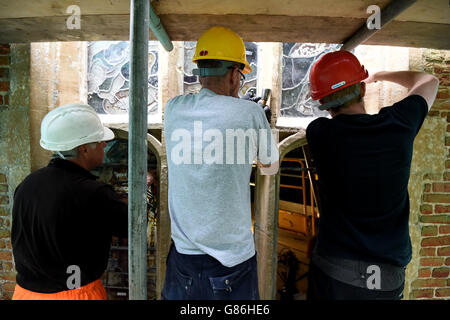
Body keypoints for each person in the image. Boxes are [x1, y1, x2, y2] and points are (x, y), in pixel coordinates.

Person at [305, 50, 439, 300]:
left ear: (324, 103)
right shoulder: (399, 124)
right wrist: (378, 75)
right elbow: (429, 81)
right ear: (363, 90)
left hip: (335, 271)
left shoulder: (319, 133)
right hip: (386, 278)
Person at [162, 26, 279, 300]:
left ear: (199, 72)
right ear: (232, 74)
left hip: (184, 259)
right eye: (240, 73)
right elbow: (270, 166)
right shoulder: (250, 113)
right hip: (232, 260)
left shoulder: (174, 108)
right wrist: (260, 121)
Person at [11, 103, 128, 300]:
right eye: (99, 140)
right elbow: (130, 227)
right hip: (74, 294)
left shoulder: (27, 184)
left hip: (25, 294)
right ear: (83, 149)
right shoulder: (94, 193)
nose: (105, 144)